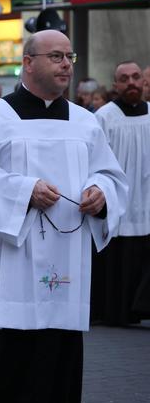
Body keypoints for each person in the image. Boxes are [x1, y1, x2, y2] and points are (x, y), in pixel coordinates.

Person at [0, 30, 128, 402]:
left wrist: (100, 193)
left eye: (69, 58)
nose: (65, 65)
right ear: (28, 63)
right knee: (0, 365)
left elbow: (109, 174)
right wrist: (23, 191)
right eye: (56, 56)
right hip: (7, 266)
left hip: (64, 263)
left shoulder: (85, 122)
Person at [92, 61, 150, 325]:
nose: (131, 83)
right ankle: (115, 311)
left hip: (147, 198)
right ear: (115, 85)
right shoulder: (104, 116)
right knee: (119, 258)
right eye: (124, 79)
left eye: (136, 77)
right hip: (120, 199)